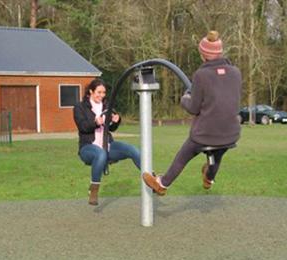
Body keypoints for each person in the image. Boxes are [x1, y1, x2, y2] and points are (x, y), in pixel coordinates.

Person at [142, 30, 242, 195]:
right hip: (231, 133)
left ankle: (162, 184)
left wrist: (184, 98)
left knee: (186, 152)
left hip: (205, 134)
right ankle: (209, 179)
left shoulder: (201, 75)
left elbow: (193, 107)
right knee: (218, 152)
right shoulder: (236, 72)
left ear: (203, 54)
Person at [74, 78, 141, 205]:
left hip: (107, 145)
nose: (102, 95)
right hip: (88, 147)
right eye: (99, 92)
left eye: (104, 93)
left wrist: (116, 120)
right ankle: (94, 190)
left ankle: (151, 178)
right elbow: (82, 127)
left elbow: (111, 128)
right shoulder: (80, 107)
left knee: (133, 150)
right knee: (100, 154)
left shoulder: (106, 106)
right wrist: (95, 122)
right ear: (91, 91)